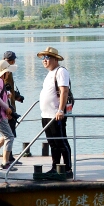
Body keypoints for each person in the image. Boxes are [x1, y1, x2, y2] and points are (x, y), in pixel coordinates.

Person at [36, 47, 72, 179]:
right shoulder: (50, 73)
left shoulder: (61, 71)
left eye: (47, 57)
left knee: (61, 142)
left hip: (56, 115)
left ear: (55, 59)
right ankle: (55, 167)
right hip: (46, 114)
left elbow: (64, 91)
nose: (44, 60)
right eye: (43, 58)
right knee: (52, 143)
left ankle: (67, 169)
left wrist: (61, 110)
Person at [1, 50, 28, 155]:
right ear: (12, 61)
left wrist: (17, 97)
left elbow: (9, 90)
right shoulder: (5, 73)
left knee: (9, 134)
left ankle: (8, 156)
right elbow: (5, 91)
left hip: (9, 107)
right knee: (10, 135)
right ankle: (8, 158)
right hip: (8, 109)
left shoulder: (7, 71)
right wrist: (9, 111)